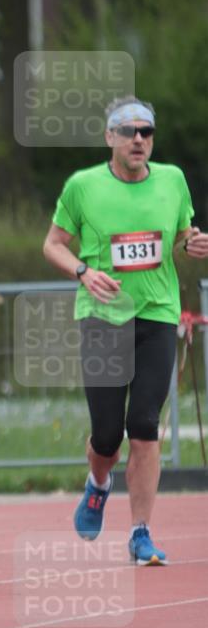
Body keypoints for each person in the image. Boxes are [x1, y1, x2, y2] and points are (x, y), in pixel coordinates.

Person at [43, 95, 208, 564]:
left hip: (158, 312)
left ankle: (140, 532)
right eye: (128, 130)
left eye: (146, 131)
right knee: (107, 435)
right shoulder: (83, 185)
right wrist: (82, 272)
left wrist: (193, 243)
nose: (139, 139)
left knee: (144, 427)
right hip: (102, 317)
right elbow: (53, 244)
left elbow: (180, 235)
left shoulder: (173, 180)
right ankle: (98, 483)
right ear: (109, 137)